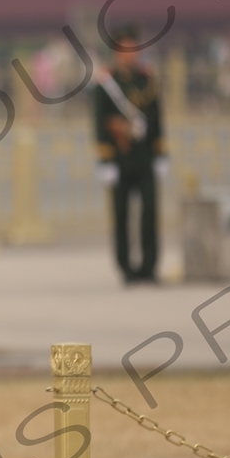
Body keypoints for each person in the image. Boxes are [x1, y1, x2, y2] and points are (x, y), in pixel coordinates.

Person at [93, 25, 168, 284]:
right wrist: (105, 161)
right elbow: (99, 123)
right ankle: (125, 267)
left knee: (149, 213)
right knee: (121, 215)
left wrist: (160, 154)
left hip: (145, 157)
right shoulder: (106, 84)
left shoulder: (147, 80)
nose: (129, 54)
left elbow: (157, 118)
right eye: (124, 49)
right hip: (119, 158)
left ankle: (149, 267)